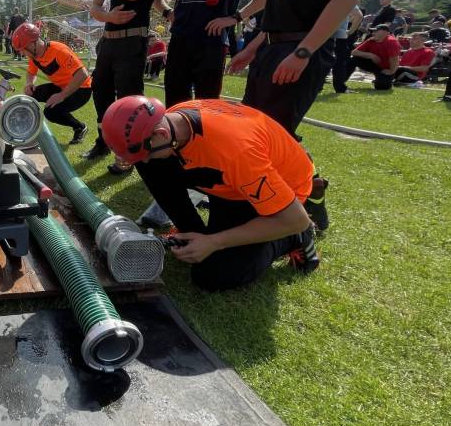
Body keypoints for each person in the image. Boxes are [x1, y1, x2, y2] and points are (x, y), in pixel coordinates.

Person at [229, 0, 362, 230]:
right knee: (259, 132)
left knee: (273, 136)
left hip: (297, 52)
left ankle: (290, 214)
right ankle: (306, 189)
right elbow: (277, 13)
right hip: (272, 50)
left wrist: (303, 52)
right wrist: (253, 47)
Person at [102, 95, 320, 291]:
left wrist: (215, 241)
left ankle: (292, 239)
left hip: (282, 193)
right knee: (152, 165)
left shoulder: (236, 154)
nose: (145, 161)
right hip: (232, 179)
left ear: (161, 133)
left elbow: (296, 219)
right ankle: (191, 232)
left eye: (145, 154)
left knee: (212, 274)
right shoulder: (173, 121)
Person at [83, 0, 166, 175]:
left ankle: (129, 153)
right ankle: (103, 142)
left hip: (133, 42)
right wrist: (109, 16)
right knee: (101, 93)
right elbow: (95, 8)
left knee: (130, 101)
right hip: (108, 41)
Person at [13, 23, 92, 144]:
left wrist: (61, 95)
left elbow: (83, 74)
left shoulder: (59, 50)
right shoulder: (34, 55)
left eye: (23, 50)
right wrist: (29, 83)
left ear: (32, 44)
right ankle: (24, 130)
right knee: (30, 95)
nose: (22, 54)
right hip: (61, 87)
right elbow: (31, 72)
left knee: (50, 112)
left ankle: (79, 127)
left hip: (81, 89)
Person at [344, 24, 400, 90]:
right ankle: (341, 80)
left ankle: (384, 80)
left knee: (381, 87)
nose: (373, 33)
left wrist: (391, 71)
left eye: (376, 31)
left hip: (386, 69)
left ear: (385, 32)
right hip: (375, 65)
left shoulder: (391, 41)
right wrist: (371, 55)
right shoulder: (371, 40)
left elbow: (394, 59)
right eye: (373, 31)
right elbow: (354, 52)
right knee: (353, 59)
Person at [331, 5, 363, 93]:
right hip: (340, 34)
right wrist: (350, 31)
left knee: (320, 58)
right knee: (339, 62)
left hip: (320, 32)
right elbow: (359, 16)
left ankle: (317, 86)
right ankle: (340, 87)